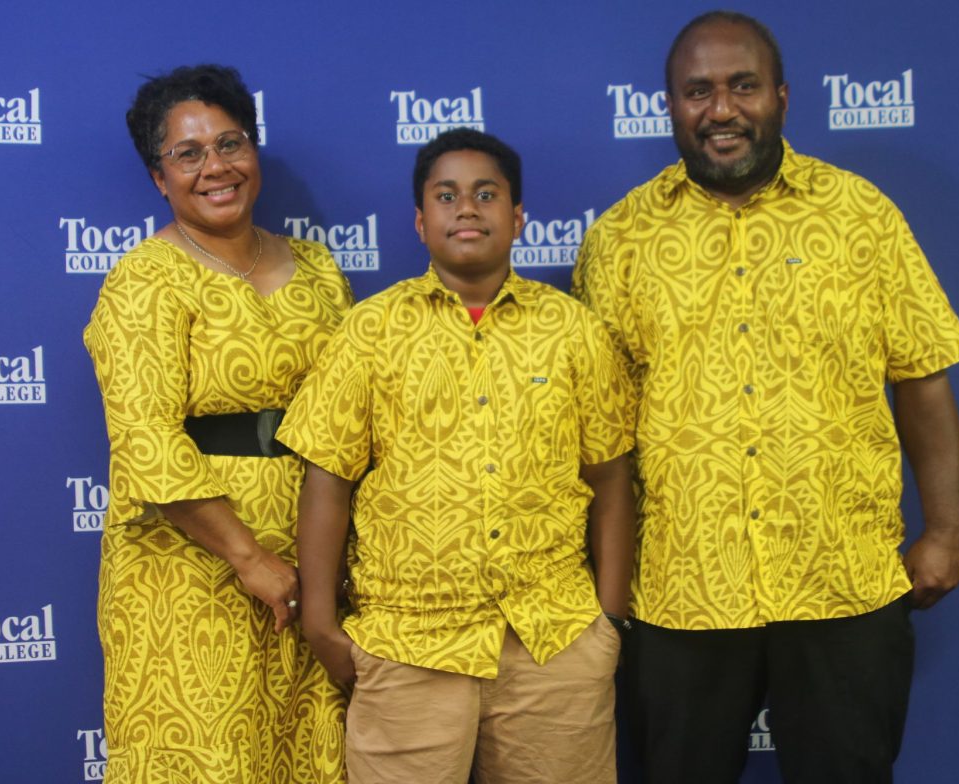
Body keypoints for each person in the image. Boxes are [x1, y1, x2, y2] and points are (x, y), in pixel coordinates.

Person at [572, 11, 959, 783]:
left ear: (782, 97)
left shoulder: (863, 217)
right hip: (680, 589)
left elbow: (922, 378)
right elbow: (599, 434)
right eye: (698, 91)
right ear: (670, 108)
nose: (721, 109)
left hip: (844, 581)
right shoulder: (620, 239)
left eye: (742, 86)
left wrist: (947, 532)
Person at [276, 128, 635, 783]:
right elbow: (327, 480)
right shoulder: (371, 332)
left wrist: (607, 621)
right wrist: (323, 623)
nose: (466, 208)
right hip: (405, 645)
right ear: (420, 221)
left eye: (486, 194)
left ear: (518, 217)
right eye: (446, 196)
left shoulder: (574, 331)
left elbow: (611, 481)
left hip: (553, 644)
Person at [83, 64, 352, 783]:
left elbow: (357, 413)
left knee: (310, 756)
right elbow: (146, 438)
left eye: (230, 143)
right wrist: (249, 558)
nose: (215, 167)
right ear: (158, 178)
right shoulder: (145, 279)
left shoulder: (320, 268)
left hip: (315, 563)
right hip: (190, 570)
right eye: (188, 153)